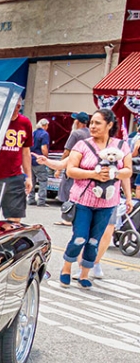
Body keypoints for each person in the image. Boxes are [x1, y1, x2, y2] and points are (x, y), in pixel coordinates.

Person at [58, 108, 133, 289]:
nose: (93, 126)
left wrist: (115, 177)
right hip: (82, 200)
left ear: (109, 125)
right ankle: (66, 267)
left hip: (108, 203)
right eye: (91, 122)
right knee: (80, 237)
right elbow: (71, 170)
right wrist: (94, 174)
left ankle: (85, 273)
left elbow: (128, 171)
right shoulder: (82, 145)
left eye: (97, 123)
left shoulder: (121, 146)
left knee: (94, 240)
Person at [0, 100, 33, 223]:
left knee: (14, 220)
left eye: (18, 106)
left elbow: (26, 151)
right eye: (13, 106)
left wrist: (29, 176)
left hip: (14, 177)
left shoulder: (25, 123)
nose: (16, 109)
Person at [36, 111, 90, 225]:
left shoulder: (76, 134)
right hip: (86, 169)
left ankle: (68, 218)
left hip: (72, 166)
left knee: (67, 190)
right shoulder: (91, 134)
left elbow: (66, 152)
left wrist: (59, 168)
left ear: (78, 122)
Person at [29, 118, 51, 206]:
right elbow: (43, 148)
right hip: (39, 160)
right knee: (43, 181)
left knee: (32, 180)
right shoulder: (44, 134)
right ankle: (41, 201)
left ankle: (30, 199)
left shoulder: (33, 133)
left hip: (31, 159)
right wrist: (46, 158)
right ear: (45, 125)